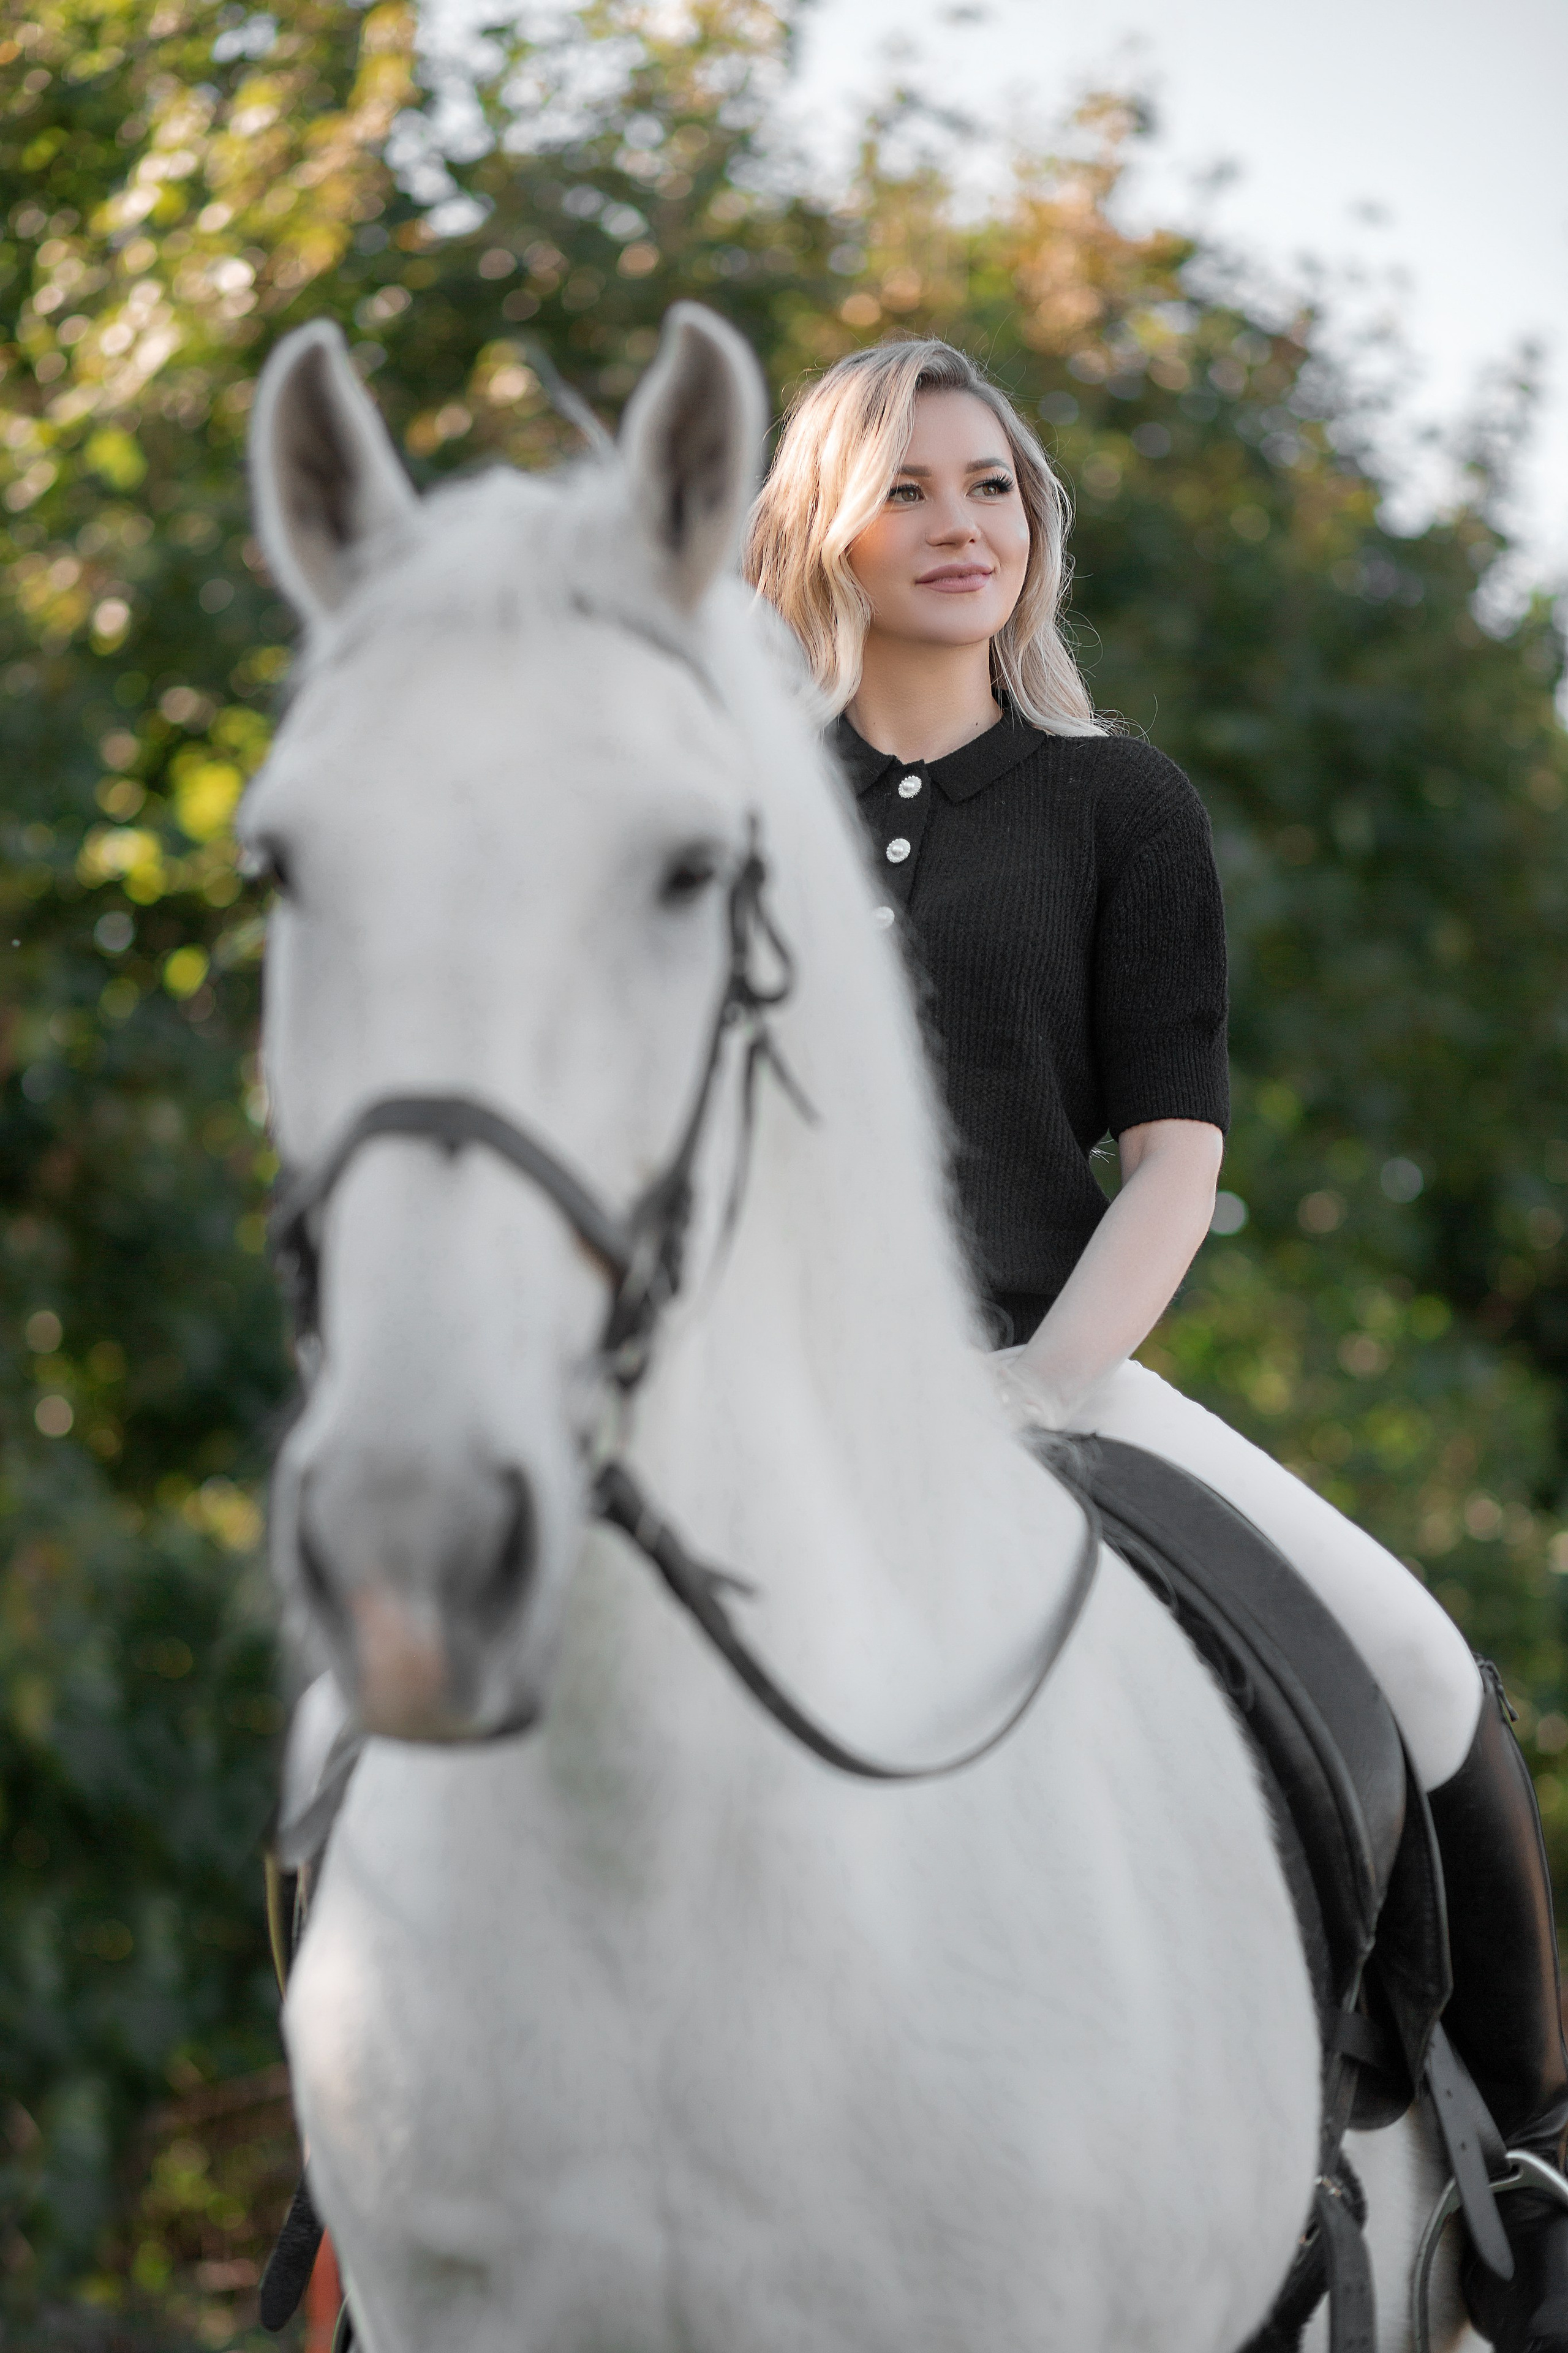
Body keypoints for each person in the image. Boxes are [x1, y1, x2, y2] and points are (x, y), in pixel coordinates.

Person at [745, 334, 1568, 2352]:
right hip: (760, 1404)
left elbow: (1174, 1165)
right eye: (909, 486)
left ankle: (1536, 2173)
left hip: (1051, 1370)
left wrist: (1033, 1400)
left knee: (1418, 1663)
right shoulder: (732, 812)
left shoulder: (1123, 803)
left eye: (995, 488)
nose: (963, 525)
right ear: (823, 528)